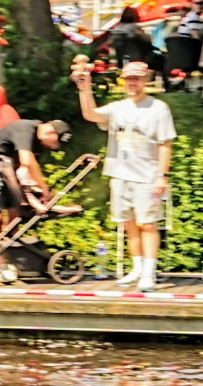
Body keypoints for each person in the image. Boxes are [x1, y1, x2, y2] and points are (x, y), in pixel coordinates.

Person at [72, 57, 175, 293]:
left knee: (148, 224)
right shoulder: (117, 107)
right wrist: (84, 87)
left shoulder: (158, 108)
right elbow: (91, 115)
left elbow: (165, 143)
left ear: (145, 80)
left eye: (137, 79)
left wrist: (162, 175)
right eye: (129, 79)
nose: (132, 83)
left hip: (147, 176)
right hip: (120, 175)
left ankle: (149, 272)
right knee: (128, 224)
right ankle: (137, 268)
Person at [0, 115, 68, 262]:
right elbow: (27, 160)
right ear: (51, 133)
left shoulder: (39, 143)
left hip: (10, 169)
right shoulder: (25, 129)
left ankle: (17, 257)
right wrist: (44, 189)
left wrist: (37, 192)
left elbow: (27, 171)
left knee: (15, 215)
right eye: (53, 144)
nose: (51, 147)